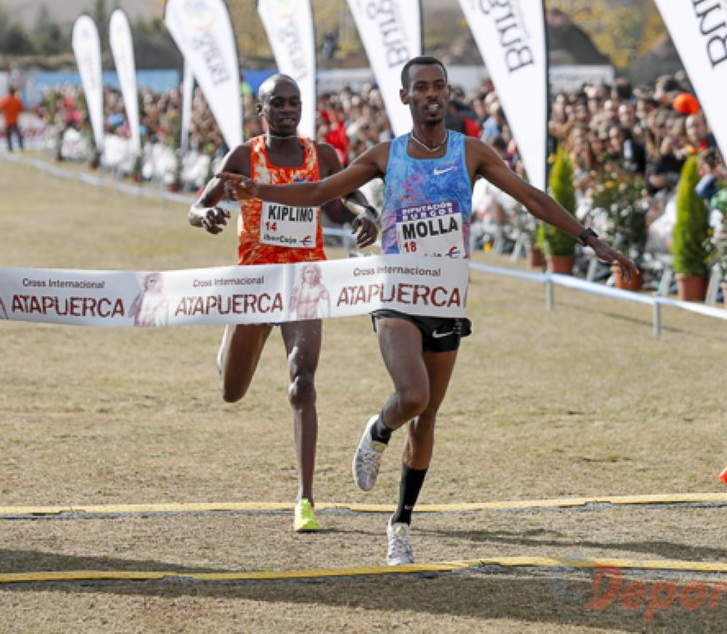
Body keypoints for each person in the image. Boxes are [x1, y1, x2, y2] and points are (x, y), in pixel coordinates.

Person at [220, 57, 636, 563]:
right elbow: (318, 192)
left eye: (439, 86)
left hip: (446, 295)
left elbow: (530, 197)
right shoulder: (383, 156)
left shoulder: (472, 153)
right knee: (412, 395)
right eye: (422, 87)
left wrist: (590, 239)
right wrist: (259, 190)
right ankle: (378, 430)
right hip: (396, 292)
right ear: (406, 98)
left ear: (447, 95)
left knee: (427, 416)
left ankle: (400, 523)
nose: (432, 94)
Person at [188, 73, 380, 533]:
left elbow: (353, 195)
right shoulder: (244, 156)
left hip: (304, 278)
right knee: (232, 391)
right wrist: (207, 214)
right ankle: (228, 346)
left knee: (303, 380)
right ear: (262, 110)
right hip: (255, 282)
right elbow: (196, 206)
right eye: (279, 103)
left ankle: (305, 499)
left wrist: (367, 214)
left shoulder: (323, 156)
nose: (289, 110)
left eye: (295, 102)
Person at [0, 86, 25, 152]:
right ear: (14, 92)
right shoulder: (17, 100)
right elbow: (21, 109)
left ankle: (10, 148)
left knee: (8, 136)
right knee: (18, 135)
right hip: (14, 120)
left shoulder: (5, 100)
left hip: (7, 121)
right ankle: (21, 146)